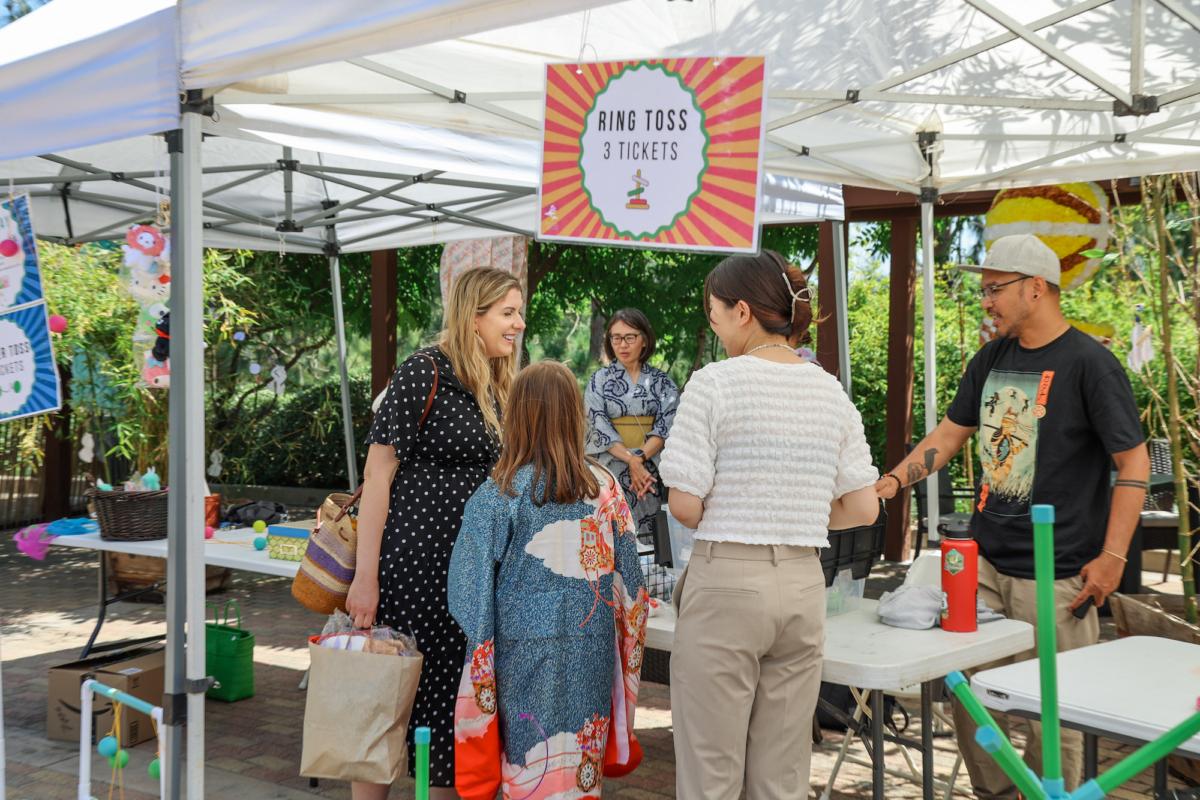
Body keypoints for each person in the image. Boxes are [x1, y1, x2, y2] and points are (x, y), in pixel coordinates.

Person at [875, 234, 1150, 799]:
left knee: (1056, 716)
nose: (985, 302)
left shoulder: (1091, 365)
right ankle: (998, 795)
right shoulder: (991, 358)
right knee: (969, 695)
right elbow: (950, 435)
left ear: (1036, 288)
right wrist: (889, 484)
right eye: (983, 291)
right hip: (984, 563)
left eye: (994, 290)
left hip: (1058, 573)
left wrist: (1113, 557)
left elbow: (1133, 461)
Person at [660, 250, 881, 799]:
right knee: (782, 775)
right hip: (804, 584)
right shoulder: (828, 389)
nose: (713, 327)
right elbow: (863, 507)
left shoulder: (714, 383)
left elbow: (684, 504)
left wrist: (739, 505)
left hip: (727, 580)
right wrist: (797, 509)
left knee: (711, 769)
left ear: (741, 311)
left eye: (713, 314)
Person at [346, 267, 526, 800]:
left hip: (471, 574)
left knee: (453, 707)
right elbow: (377, 475)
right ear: (474, 316)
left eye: (519, 312)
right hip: (414, 569)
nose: (518, 324)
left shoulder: (498, 380)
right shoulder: (423, 372)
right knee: (389, 699)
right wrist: (366, 577)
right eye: (507, 313)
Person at [448, 360, 649, 800]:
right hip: (590, 648)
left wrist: (482, 649)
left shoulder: (500, 490)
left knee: (529, 769)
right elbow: (633, 589)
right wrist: (622, 645)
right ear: (574, 415)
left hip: (521, 653)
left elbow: (467, 589)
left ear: (517, 415)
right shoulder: (604, 487)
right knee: (579, 773)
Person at [584, 308, 679, 597]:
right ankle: (609, 597)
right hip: (611, 469)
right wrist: (630, 460)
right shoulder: (599, 380)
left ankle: (652, 596)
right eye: (615, 338)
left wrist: (639, 460)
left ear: (644, 340)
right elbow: (597, 421)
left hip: (648, 472)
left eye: (629, 337)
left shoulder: (662, 382)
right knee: (611, 533)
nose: (622, 345)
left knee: (650, 538)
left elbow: (668, 422)